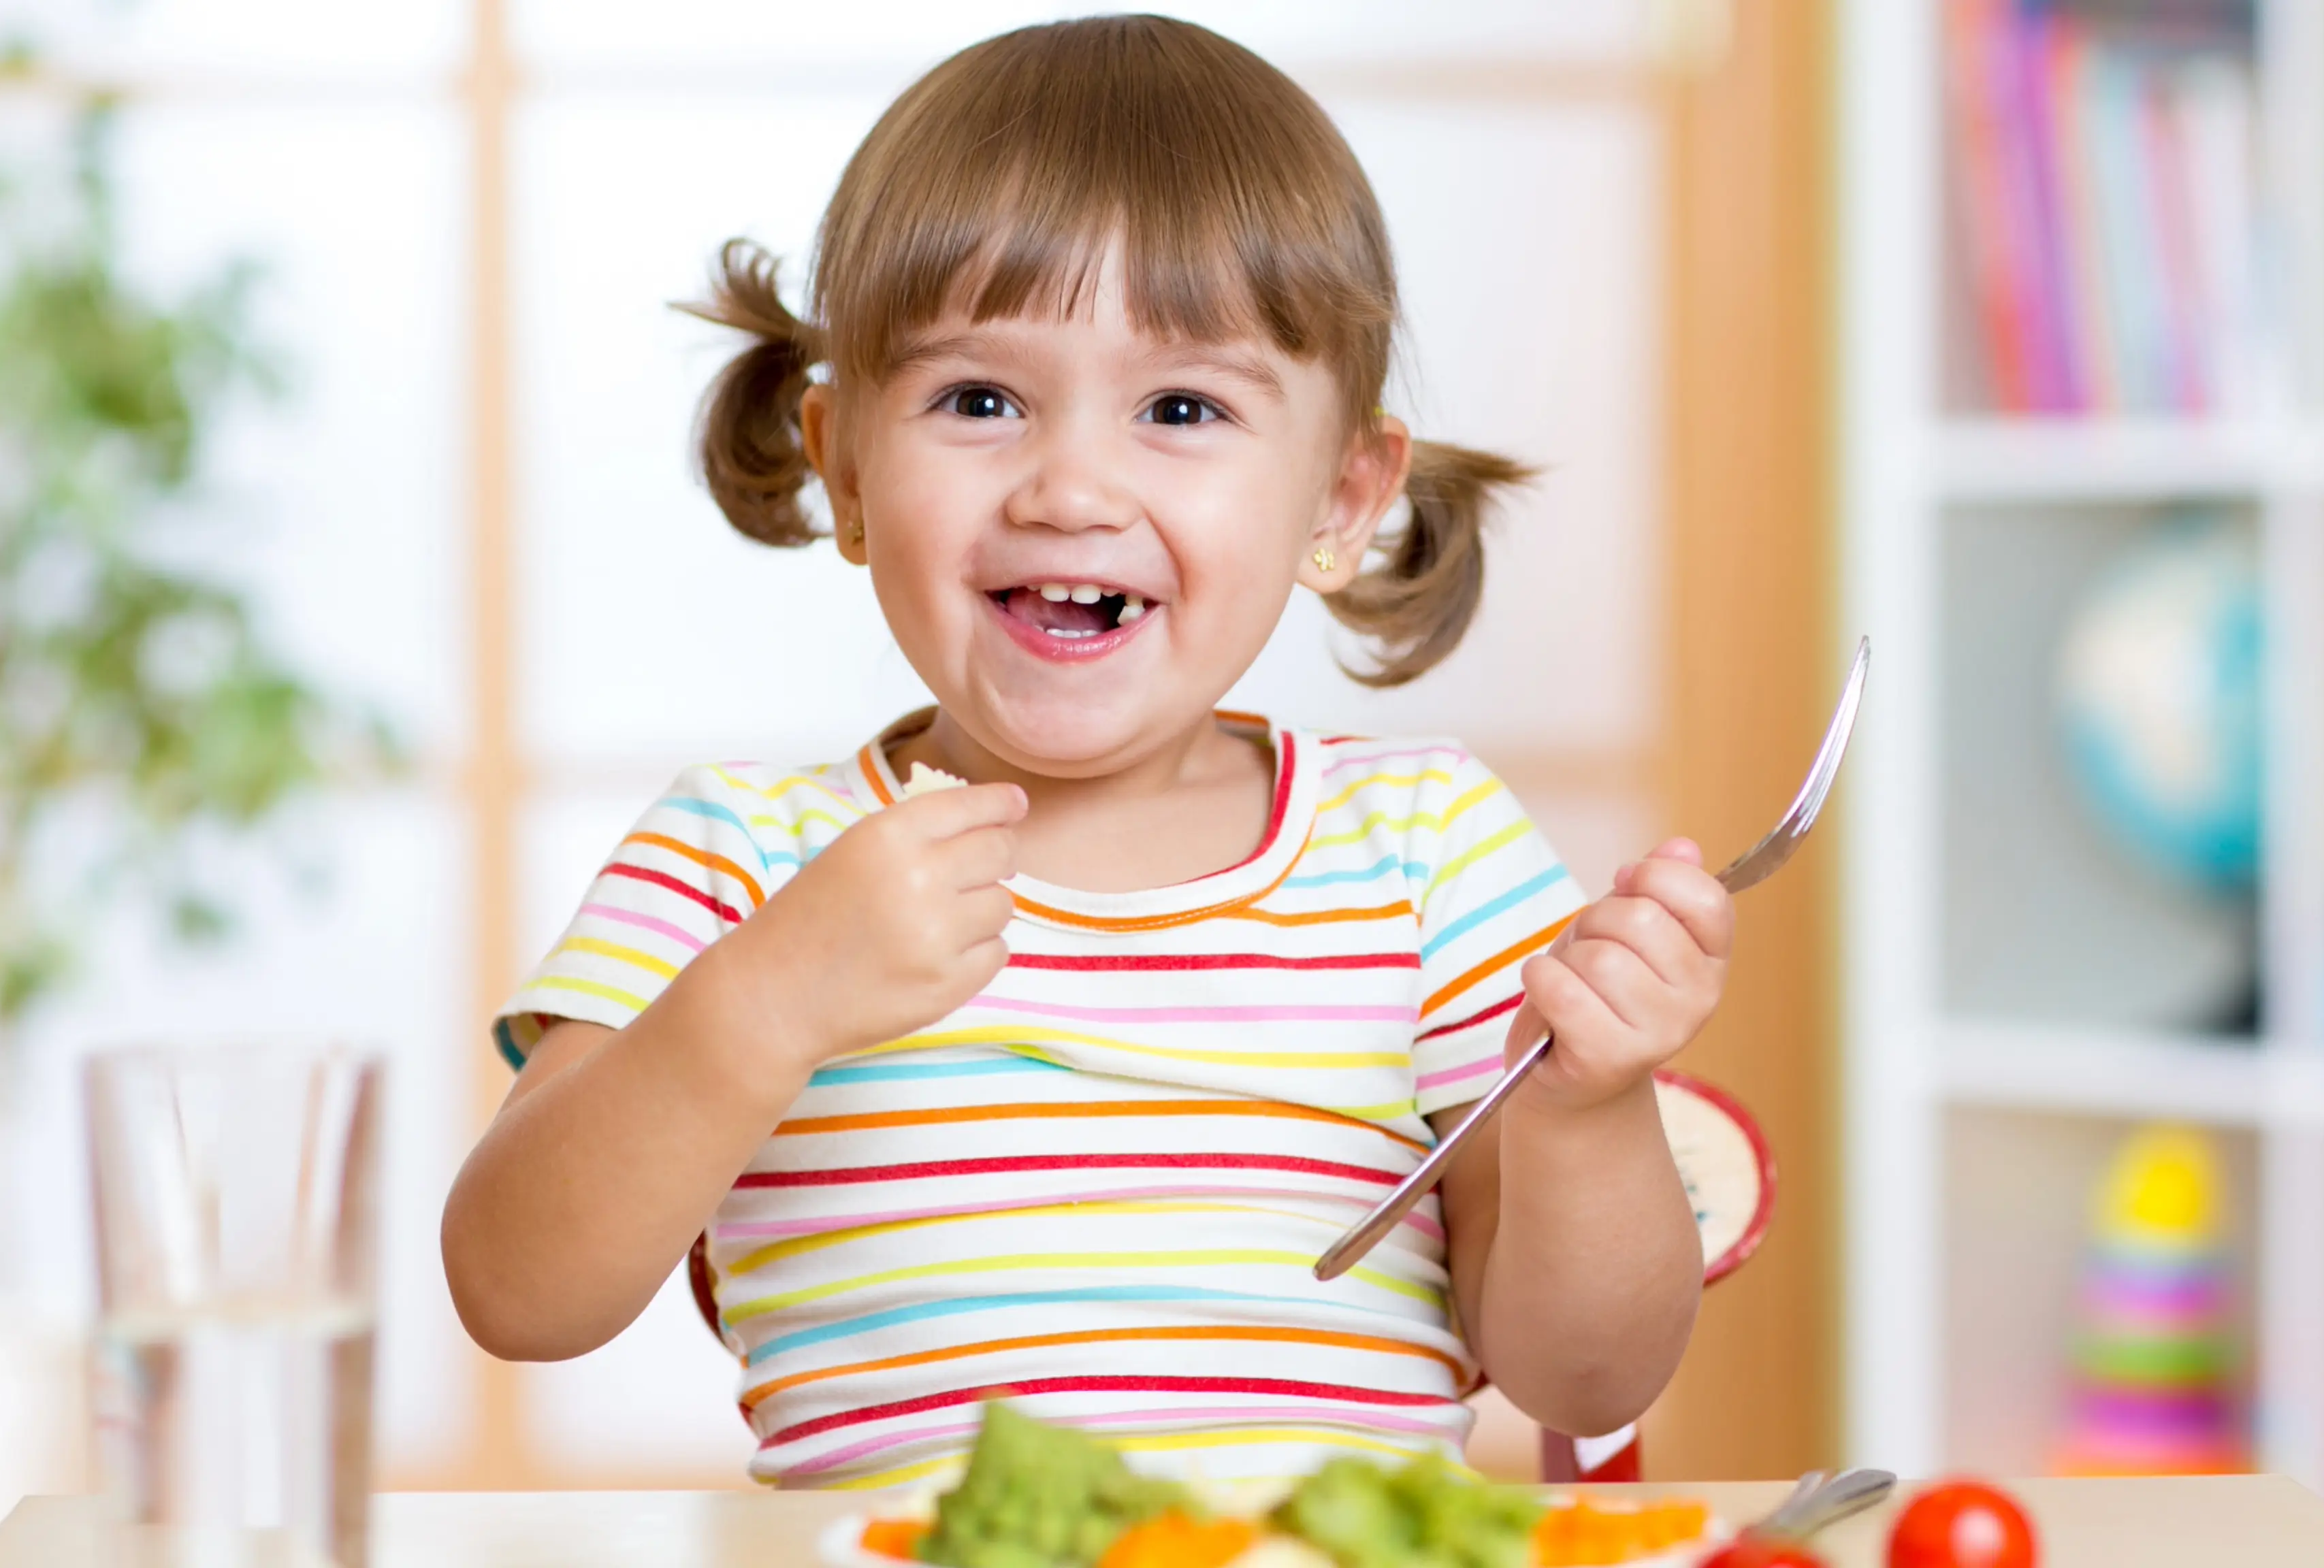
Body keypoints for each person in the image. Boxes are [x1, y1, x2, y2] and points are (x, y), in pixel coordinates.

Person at [443, 14, 1730, 1491]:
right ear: (845, 464)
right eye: (978, 401)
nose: (1069, 489)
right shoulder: (744, 858)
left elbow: (1586, 1378)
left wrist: (1586, 1113)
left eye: (1182, 408)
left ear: (1341, 496)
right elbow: (516, 1294)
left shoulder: (1428, 846)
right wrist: (761, 1002)